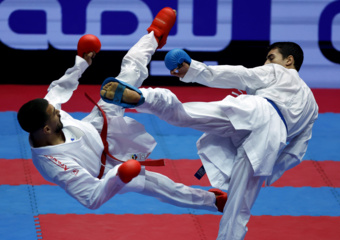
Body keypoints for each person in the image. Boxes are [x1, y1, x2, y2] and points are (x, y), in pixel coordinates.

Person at [17, 7, 227, 214]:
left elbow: (58, 90)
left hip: (96, 126)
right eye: (55, 114)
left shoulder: (44, 115)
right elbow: (91, 198)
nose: (58, 112)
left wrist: (82, 62)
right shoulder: (55, 165)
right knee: (164, 187)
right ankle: (214, 202)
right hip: (108, 169)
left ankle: (155, 34)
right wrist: (120, 176)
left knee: (126, 77)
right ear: (46, 129)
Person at [100, 42, 319, 239]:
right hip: (271, 142)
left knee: (185, 114)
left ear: (288, 60)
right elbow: (296, 151)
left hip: (254, 111)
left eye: (271, 57)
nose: (267, 62)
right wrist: (270, 169)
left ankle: (143, 98)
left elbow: (240, 75)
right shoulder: (312, 106)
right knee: (237, 210)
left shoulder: (278, 72)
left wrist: (193, 69)